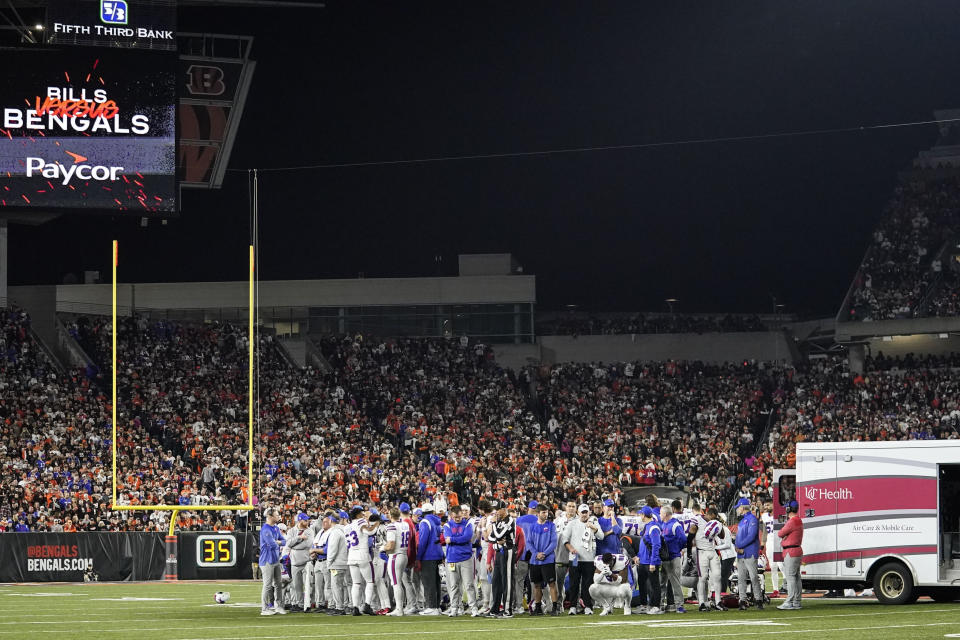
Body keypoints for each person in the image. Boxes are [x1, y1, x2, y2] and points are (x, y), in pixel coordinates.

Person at [561, 503, 603, 615]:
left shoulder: (594, 522)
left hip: (589, 559)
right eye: (582, 512)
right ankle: (573, 606)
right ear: (578, 513)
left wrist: (594, 528)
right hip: (575, 558)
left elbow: (601, 536)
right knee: (574, 583)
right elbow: (564, 539)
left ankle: (588, 606)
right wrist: (571, 548)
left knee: (587, 584)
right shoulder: (572, 524)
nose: (584, 515)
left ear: (589, 513)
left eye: (586, 512)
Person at [443, 505, 479, 617]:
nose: (457, 519)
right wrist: (458, 538)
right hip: (452, 559)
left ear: (461, 514)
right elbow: (447, 538)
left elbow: (467, 537)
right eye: (455, 517)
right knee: (454, 585)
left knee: (469, 585)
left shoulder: (468, 524)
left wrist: (453, 539)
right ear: (451, 516)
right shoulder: (447, 525)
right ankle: (455, 608)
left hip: (465, 558)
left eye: (459, 516)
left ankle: (473, 608)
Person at [526, 504, 561, 616]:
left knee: (551, 583)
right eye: (543, 512)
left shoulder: (551, 525)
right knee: (536, 585)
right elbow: (529, 542)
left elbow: (553, 542)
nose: (546, 514)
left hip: (548, 560)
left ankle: (555, 608)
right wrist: (536, 554)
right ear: (538, 514)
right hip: (535, 560)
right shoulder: (532, 527)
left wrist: (544, 554)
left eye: (546, 512)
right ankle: (538, 608)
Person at [486, 504, 519, 618]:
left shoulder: (509, 520)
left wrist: (494, 525)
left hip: (507, 551)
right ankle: (494, 609)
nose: (497, 512)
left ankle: (507, 610)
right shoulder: (499, 521)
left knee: (507, 581)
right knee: (496, 581)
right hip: (499, 552)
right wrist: (497, 540)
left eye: (499, 510)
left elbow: (499, 534)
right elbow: (489, 538)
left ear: (504, 509)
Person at [345, 506, 379, 616]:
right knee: (370, 581)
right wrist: (376, 524)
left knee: (356, 583)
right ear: (358, 514)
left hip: (351, 555)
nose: (363, 514)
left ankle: (355, 607)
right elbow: (369, 531)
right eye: (362, 513)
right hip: (362, 554)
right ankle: (367, 605)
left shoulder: (347, 526)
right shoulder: (360, 522)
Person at [694, 507, 726, 612]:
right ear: (710, 514)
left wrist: (720, 525)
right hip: (701, 551)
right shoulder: (698, 520)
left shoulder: (715, 522)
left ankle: (718, 602)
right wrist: (690, 552)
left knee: (717, 576)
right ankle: (702, 603)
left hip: (712, 550)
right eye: (713, 517)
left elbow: (722, 536)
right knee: (702, 578)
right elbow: (691, 535)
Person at [734, 498, 763, 610]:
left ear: (742, 507)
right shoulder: (744, 520)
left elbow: (751, 536)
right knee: (741, 578)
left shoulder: (752, 519)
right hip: (742, 553)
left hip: (749, 552)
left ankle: (758, 599)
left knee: (753, 577)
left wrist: (739, 546)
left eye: (738, 507)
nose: (737, 510)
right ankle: (742, 600)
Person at [259, 507, 287, 616]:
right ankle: (264, 608)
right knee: (267, 585)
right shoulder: (265, 529)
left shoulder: (275, 528)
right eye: (276, 515)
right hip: (267, 560)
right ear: (270, 517)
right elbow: (273, 544)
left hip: (275, 559)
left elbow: (285, 541)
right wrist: (279, 542)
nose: (278, 516)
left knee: (278, 584)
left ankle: (279, 606)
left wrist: (278, 542)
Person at [416, 502, 443, 615]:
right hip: (437, 553)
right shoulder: (436, 521)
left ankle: (431, 607)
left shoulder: (425, 522)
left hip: (428, 555)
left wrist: (419, 557)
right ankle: (436, 606)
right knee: (436, 581)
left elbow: (423, 541)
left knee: (429, 582)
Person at [382, 507, 410, 616]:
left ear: (390, 515)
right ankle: (400, 608)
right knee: (398, 582)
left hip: (395, 556)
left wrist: (382, 548)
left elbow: (391, 545)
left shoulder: (392, 526)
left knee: (395, 583)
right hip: (404, 554)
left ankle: (399, 609)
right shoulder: (405, 524)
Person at [659, 505, 686, 613]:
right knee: (662, 582)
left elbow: (683, 539)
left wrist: (677, 549)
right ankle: (660, 604)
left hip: (673, 557)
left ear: (665, 514)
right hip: (665, 558)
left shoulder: (675, 525)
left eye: (661, 513)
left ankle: (679, 605)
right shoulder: (663, 524)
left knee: (675, 582)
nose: (660, 515)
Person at [777, 500, 803, 610]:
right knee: (796, 577)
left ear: (788, 509)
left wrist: (784, 539)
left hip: (790, 551)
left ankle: (790, 601)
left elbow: (780, 533)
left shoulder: (792, 521)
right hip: (796, 551)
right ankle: (797, 601)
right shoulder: (798, 520)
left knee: (791, 577)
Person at [637, 506, 663, 615]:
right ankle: (644, 605)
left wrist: (653, 562)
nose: (640, 516)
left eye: (640, 514)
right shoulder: (648, 526)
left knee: (654, 584)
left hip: (650, 562)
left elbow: (656, 545)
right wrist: (639, 556)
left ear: (643, 515)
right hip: (643, 561)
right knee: (642, 584)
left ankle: (655, 606)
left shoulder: (653, 528)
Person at [286, 513, 313, 611]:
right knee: (296, 585)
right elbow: (288, 544)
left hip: (307, 561)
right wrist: (299, 538)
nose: (307, 522)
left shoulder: (309, 530)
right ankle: (299, 604)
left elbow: (307, 544)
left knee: (308, 585)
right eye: (305, 520)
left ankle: (308, 604)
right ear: (300, 520)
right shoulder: (292, 531)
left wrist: (294, 545)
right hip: (295, 561)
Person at [325, 512, 349, 616]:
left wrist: (329, 562)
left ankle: (339, 607)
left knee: (336, 585)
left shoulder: (335, 532)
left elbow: (332, 550)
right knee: (341, 585)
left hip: (336, 563)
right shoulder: (343, 530)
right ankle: (343, 605)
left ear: (330, 520)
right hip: (344, 561)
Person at [554, 501, 577, 607]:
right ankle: (559, 604)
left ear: (576, 509)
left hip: (575, 555)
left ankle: (575, 603)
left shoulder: (579, 521)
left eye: (573, 506)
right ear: (565, 508)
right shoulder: (558, 521)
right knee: (559, 581)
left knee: (576, 580)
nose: (571, 508)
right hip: (560, 554)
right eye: (569, 506)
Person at [761, 502, 784, 597]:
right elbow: (765, 530)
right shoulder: (765, 516)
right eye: (765, 505)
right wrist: (762, 544)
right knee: (773, 567)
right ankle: (776, 590)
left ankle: (789, 586)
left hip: (779, 542)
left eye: (768, 505)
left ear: (773, 505)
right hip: (770, 543)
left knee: (781, 565)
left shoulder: (780, 515)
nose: (766, 507)